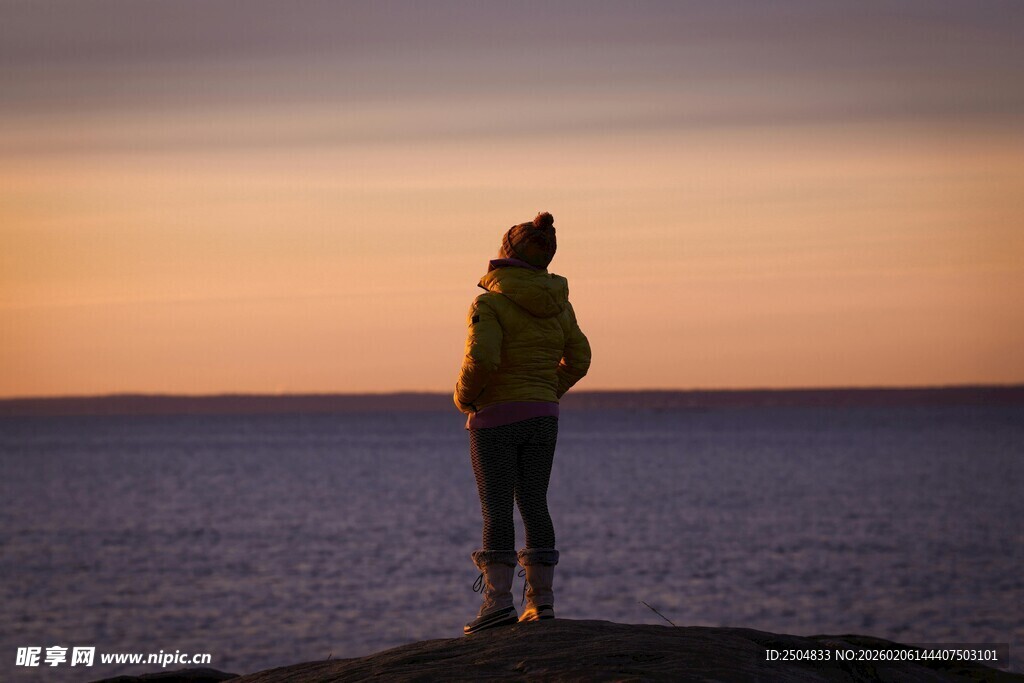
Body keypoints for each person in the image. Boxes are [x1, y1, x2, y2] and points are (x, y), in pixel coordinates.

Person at [454, 211, 592, 635]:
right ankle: (542, 603)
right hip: (543, 417)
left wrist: (465, 397)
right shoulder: (559, 303)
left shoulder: (489, 302)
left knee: (497, 507)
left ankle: (497, 604)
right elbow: (580, 358)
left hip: (495, 417)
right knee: (534, 502)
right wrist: (547, 392)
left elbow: (484, 358)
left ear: (506, 254)